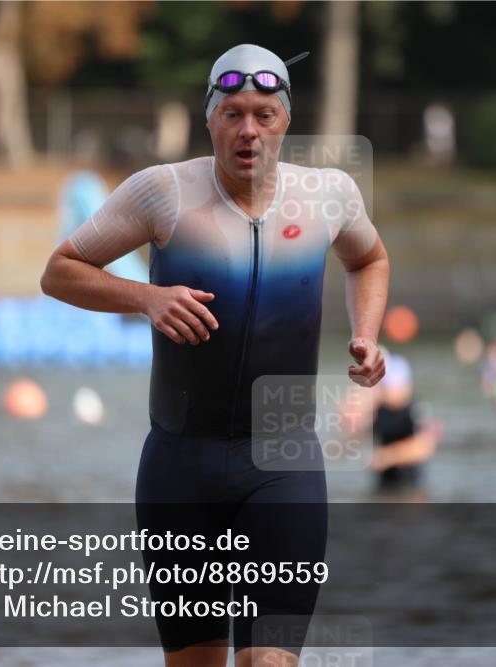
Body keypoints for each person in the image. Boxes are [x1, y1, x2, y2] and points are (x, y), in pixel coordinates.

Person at [40, 44, 389, 667]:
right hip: (181, 467)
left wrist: (366, 332)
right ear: (210, 119)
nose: (247, 130)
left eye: (263, 114)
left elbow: (368, 258)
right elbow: (60, 272)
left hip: (284, 465)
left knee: (269, 662)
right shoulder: (162, 193)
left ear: (286, 119)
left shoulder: (328, 196)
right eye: (232, 113)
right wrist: (146, 297)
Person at [368, 353, 443, 499]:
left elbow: (425, 447)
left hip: (411, 488)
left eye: (392, 386)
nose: (388, 391)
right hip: (384, 487)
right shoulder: (378, 409)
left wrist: (388, 456)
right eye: (385, 386)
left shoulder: (416, 408)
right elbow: (353, 440)